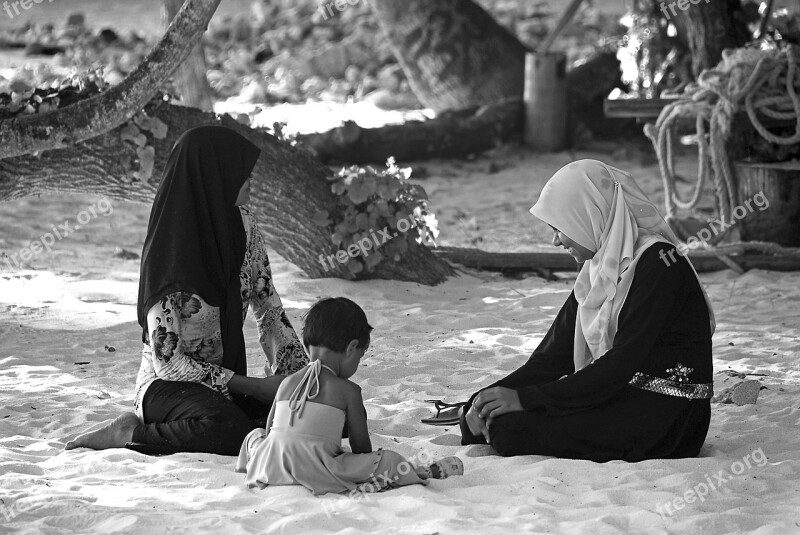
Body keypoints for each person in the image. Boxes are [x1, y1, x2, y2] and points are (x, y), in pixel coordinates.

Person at [65, 126, 308, 454]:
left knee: (314, 415)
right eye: (238, 170)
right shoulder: (168, 256)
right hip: (167, 389)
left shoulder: (244, 228)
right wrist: (256, 387)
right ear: (211, 177)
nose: (249, 177)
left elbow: (269, 310)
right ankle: (129, 432)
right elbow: (170, 364)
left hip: (226, 387)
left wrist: (301, 376)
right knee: (231, 433)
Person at [460, 159, 716, 462]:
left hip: (670, 415)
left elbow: (621, 363)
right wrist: (483, 400)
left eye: (559, 228)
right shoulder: (597, 268)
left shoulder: (660, 262)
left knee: (511, 429)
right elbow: (552, 359)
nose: (555, 241)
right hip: (621, 394)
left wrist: (524, 399)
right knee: (490, 420)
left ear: (588, 216)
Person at [236, 297, 464, 495]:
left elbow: (269, 432)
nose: (357, 363)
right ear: (351, 348)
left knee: (254, 436)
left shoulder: (287, 382)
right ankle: (421, 472)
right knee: (389, 461)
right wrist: (355, 460)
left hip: (273, 464)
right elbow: (361, 447)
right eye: (360, 356)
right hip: (317, 470)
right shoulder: (349, 391)